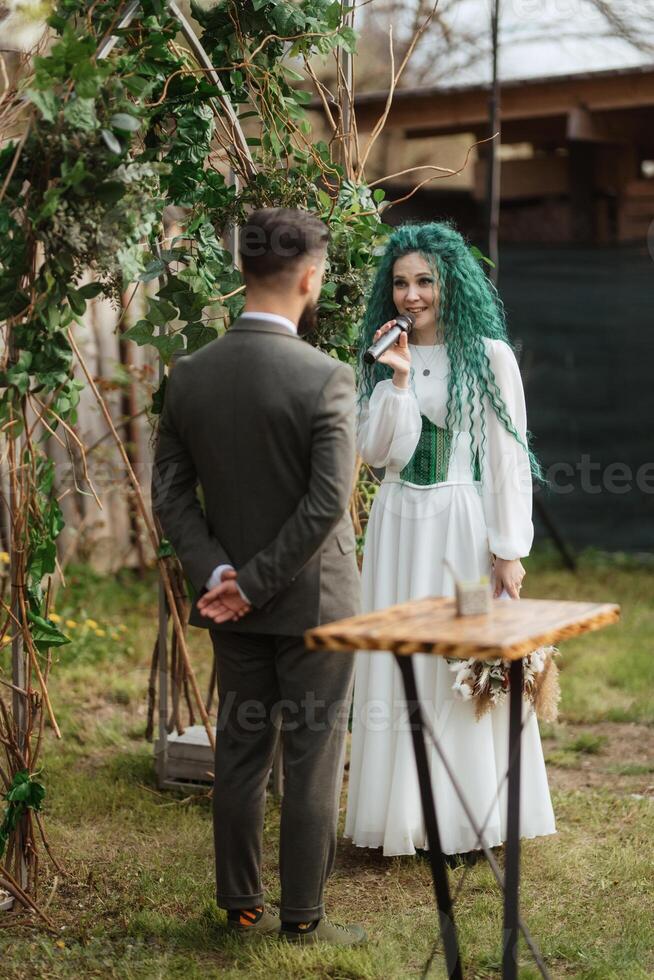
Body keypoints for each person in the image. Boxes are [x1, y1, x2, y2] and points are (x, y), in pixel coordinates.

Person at [151, 208, 365, 945]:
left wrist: (222, 574)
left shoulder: (190, 376)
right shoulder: (327, 378)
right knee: (310, 757)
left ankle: (239, 902)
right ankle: (303, 917)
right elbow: (328, 501)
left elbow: (171, 494)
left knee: (241, 752)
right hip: (315, 604)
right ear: (310, 278)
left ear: (242, 274)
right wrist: (259, 580)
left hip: (229, 603)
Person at [345, 221, 556, 858]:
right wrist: (400, 379)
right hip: (398, 526)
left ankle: (467, 820)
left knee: (465, 663)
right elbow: (380, 452)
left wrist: (509, 549)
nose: (412, 295)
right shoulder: (384, 355)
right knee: (401, 667)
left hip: (462, 526)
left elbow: (506, 460)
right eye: (402, 282)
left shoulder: (488, 356)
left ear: (449, 284)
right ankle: (402, 817)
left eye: (425, 281)